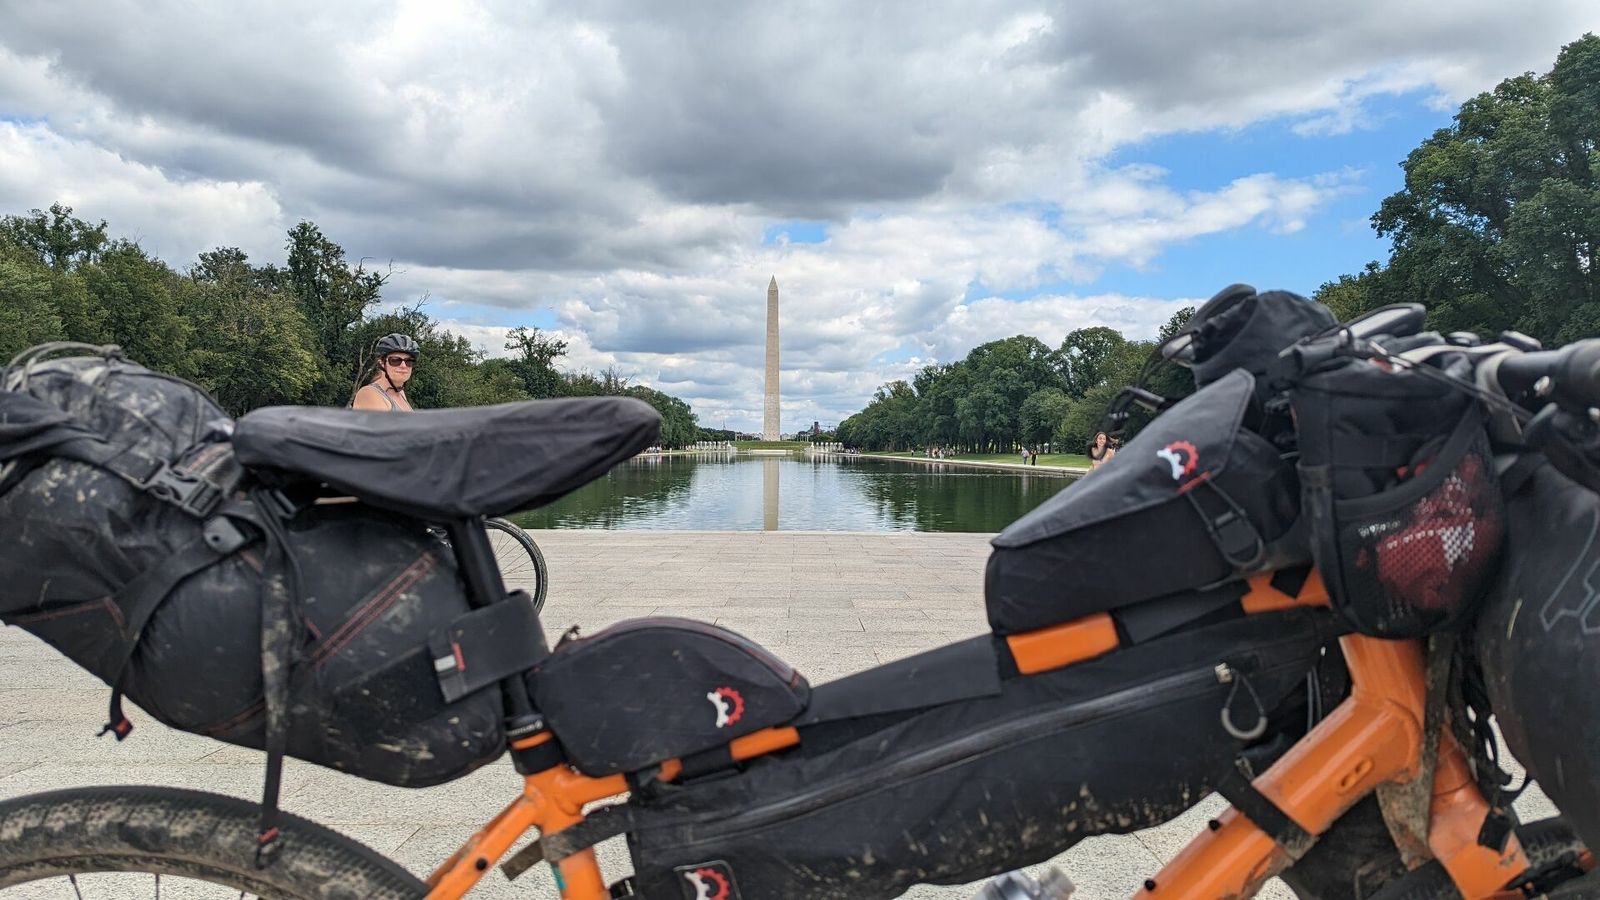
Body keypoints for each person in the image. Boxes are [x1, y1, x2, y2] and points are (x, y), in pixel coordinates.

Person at [351, 333, 419, 411]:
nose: (403, 366)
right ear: (382, 363)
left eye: (409, 361)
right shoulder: (369, 394)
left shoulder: (400, 392)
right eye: (395, 360)